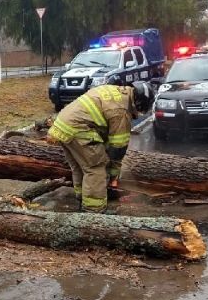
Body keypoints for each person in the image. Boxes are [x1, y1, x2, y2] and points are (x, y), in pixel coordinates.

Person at [47, 81, 154, 213]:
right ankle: (93, 210)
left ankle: (82, 198)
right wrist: (113, 175)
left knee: (81, 166)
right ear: (139, 103)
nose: (136, 114)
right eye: (139, 110)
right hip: (79, 129)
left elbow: (104, 131)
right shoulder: (121, 110)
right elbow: (118, 148)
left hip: (62, 126)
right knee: (96, 168)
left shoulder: (114, 91)